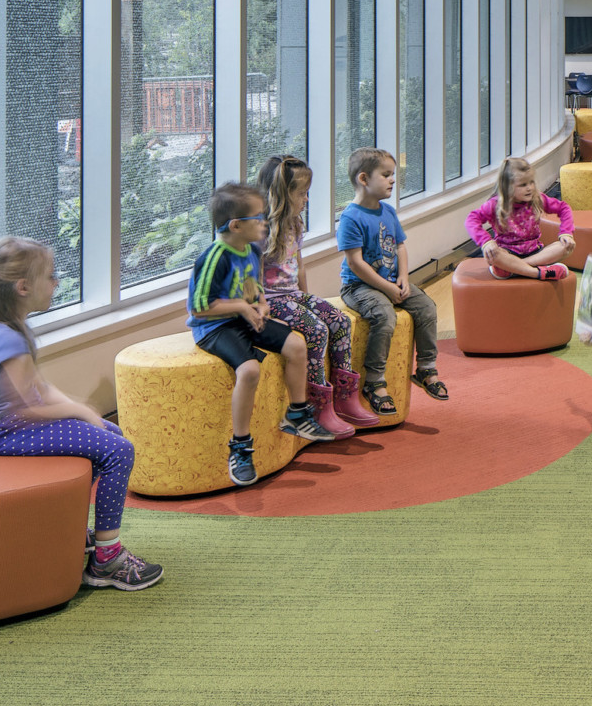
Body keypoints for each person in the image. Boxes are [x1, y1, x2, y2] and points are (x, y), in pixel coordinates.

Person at [0, 235, 163, 591]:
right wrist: (81, 411)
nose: (57, 283)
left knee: (109, 437)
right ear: (22, 287)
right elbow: (30, 406)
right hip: (3, 434)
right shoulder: (5, 338)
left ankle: (71, 532)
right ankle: (107, 559)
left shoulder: (2, 330)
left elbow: (38, 388)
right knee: (119, 450)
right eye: (50, 276)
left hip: (6, 427)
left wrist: (82, 412)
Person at [187, 181, 331, 486]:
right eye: (259, 217)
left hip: (245, 317)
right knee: (250, 370)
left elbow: (254, 286)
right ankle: (240, 446)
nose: (265, 222)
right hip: (214, 327)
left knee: (296, 345)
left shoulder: (252, 249)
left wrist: (262, 304)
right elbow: (199, 308)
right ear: (237, 225)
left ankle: (297, 414)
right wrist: (241, 306)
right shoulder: (214, 258)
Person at [255, 154, 379, 436]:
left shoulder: (295, 224)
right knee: (315, 330)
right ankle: (317, 405)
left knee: (339, 320)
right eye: (302, 194)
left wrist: (307, 300)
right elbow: (249, 277)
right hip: (270, 302)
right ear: (283, 195)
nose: (306, 200)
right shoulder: (259, 231)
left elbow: (298, 266)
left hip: (292, 296)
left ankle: (345, 397)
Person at [338, 147, 448, 416]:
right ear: (364, 179)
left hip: (391, 281)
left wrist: (402, 278)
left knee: (427, 308)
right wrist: (386, 287)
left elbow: (400, 246)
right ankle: (374, 382)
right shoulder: (350, 217)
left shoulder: (387, 211)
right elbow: (355, 263)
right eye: (386, 174)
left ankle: (425, 369)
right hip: (359, 286)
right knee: (384, 316)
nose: (392, 180)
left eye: (392, 174)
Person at [464, 156, 575, 280]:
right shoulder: (496, 204)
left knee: (566, 247)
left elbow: (564, 208)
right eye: (523, 185)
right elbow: (471, 219)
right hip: (507, 253)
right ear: (508, 187)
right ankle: (537, 273)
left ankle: (513, 269)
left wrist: (566, 233)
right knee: (495, 255)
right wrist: (486, 242)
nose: (530, 188)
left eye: (531, 182)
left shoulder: (537, 198)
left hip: (535, 252)